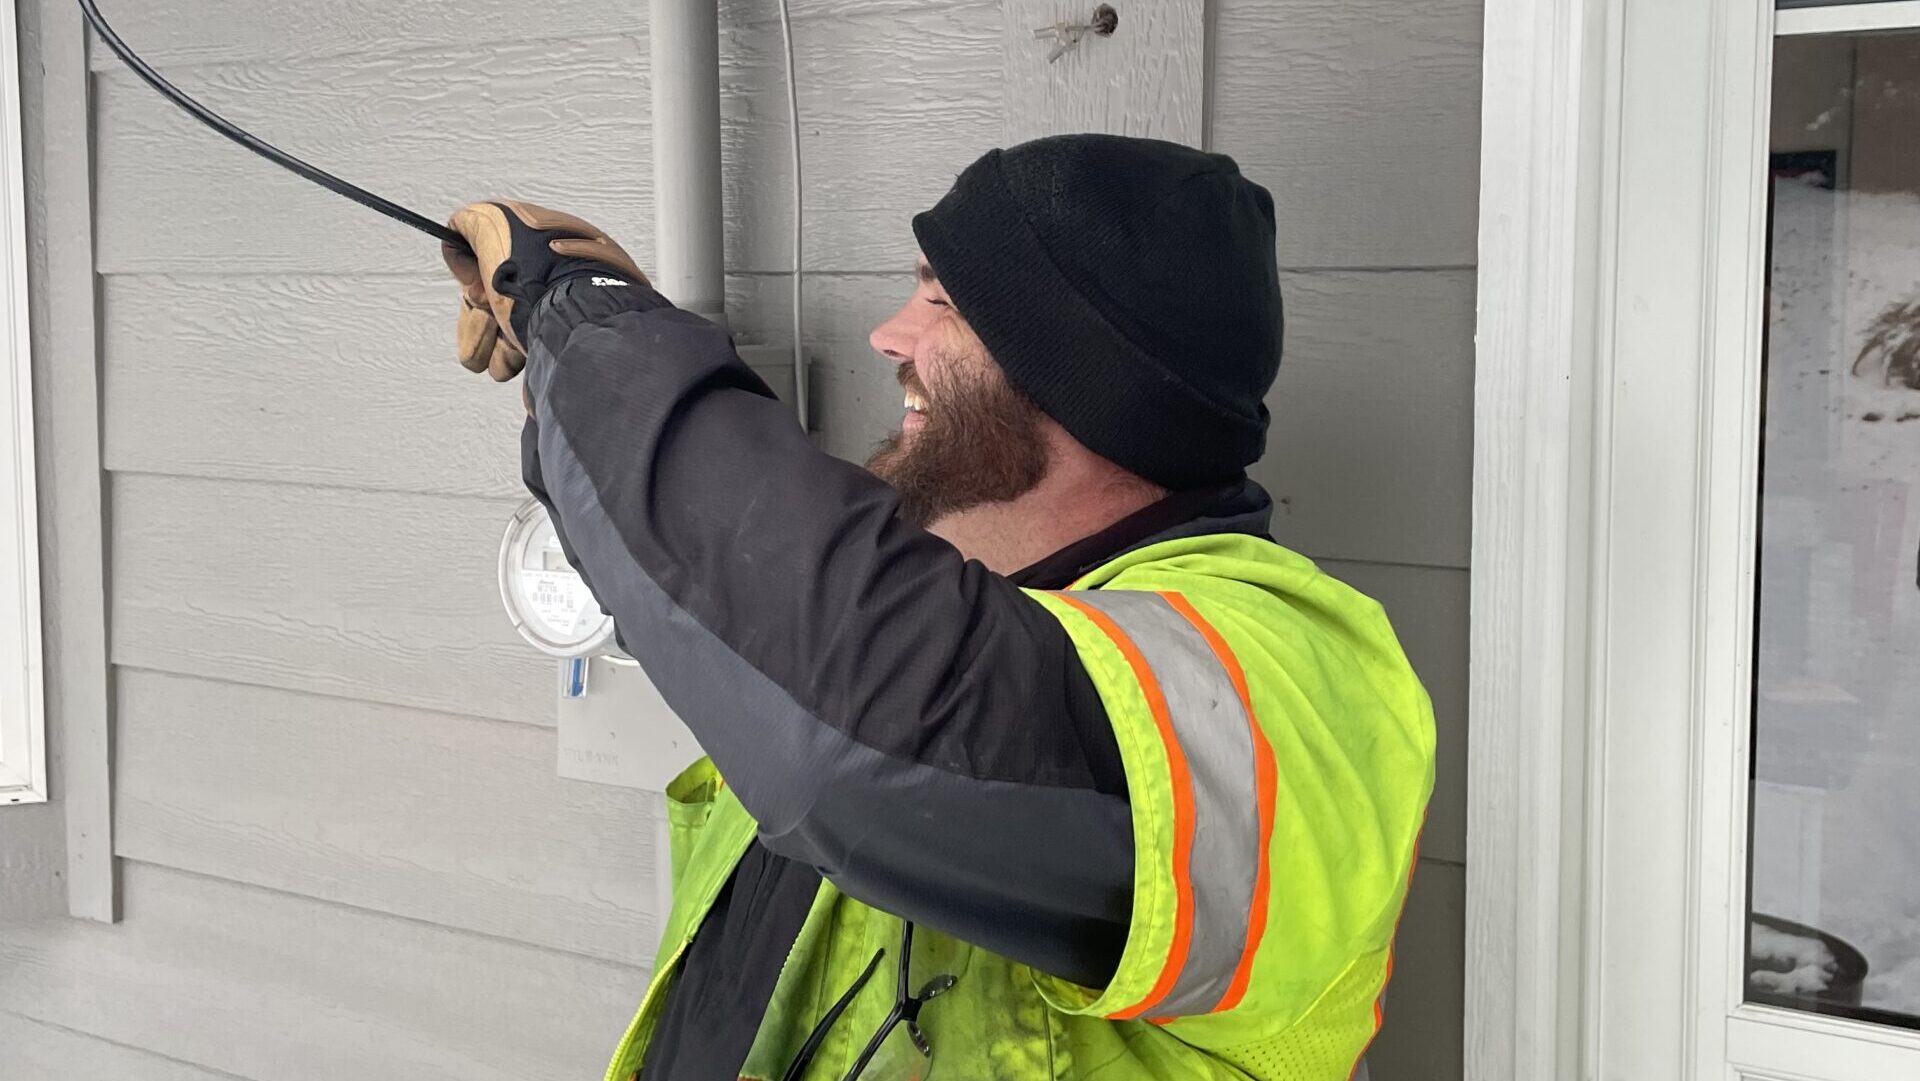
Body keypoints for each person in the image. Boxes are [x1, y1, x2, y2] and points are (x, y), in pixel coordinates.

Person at [443, 134, 1434, 1081]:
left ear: (1086, 374)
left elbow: (865, 726)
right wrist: (579, 390)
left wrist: (599, 330)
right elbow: (731, 608)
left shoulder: (1293, 682)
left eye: (944, 299)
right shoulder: (978, 592)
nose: (891, 334)